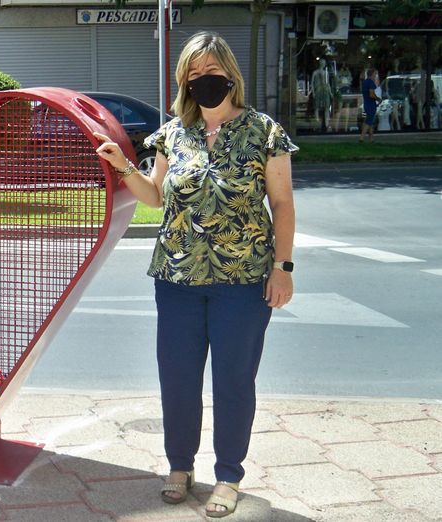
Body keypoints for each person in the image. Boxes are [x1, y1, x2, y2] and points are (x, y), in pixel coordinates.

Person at [93, 31, 296, 518]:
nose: (205, 81)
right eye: (195, 74)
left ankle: (228, 476)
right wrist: (124, 167)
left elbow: (283, 204)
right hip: (178, 279)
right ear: (184, 80)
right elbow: (155, 196)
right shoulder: (172, 134)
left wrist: (282, 268)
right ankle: (179, 467)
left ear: (231, 74)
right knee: (178, 378)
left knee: (233, 380)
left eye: (213, 72)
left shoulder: (264, 132)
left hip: (244, 281)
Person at [310, 58, 332, 132]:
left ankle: (326, 124)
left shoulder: (326, 73)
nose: (323, 64)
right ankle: (317, 124)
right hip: (318, 91)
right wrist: (313, 92)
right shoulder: (315, 72)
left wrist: (330, 92)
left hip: (325, 91)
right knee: (317, 107)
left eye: (324, 62)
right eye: (322, 62)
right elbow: (312, 82)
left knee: (326, 107)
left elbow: (328, 83)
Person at [360, 68, 381, 142]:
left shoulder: (365, 82)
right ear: (372, 74)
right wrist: (378, 99)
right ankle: (361, 138)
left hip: (366, 103)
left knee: (370, 121)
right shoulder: (371, 83)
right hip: (371, 104)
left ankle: (371, 138)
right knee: (368, 121)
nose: (376, 76)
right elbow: (371, 94)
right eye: (375, 74)